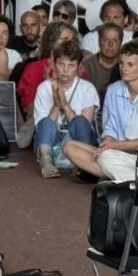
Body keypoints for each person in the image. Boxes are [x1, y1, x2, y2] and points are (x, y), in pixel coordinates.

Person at [63, 41, 138, 183]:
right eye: (121, 63)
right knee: (69, 147)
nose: (124, 69)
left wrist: (114, 146)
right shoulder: (113, 90)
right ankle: (131, 178)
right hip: (118, 153)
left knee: (105, 158)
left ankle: (128, 177)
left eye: (130, 64)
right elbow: (109, 127)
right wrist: (108, 141)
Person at [33, 41, 99, 179]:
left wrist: (65, 106)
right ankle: (47, 163)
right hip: (52, 144)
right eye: (61, 64)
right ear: (54, 64)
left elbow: (85, 126)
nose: (65, 70)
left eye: (71, 65)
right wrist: (57, 106)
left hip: (78, 145)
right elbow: (41, 126)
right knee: (45, 122)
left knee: (80, 120)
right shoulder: (44, 88)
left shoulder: (87, 88)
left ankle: (84, 164)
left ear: (79, 67)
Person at [80, 24, 122, 103]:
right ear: (99, 41)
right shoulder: (86, 66)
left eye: (115, 41)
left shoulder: (126, 65)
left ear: (120, 43)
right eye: (106, 40)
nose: (110, 44)